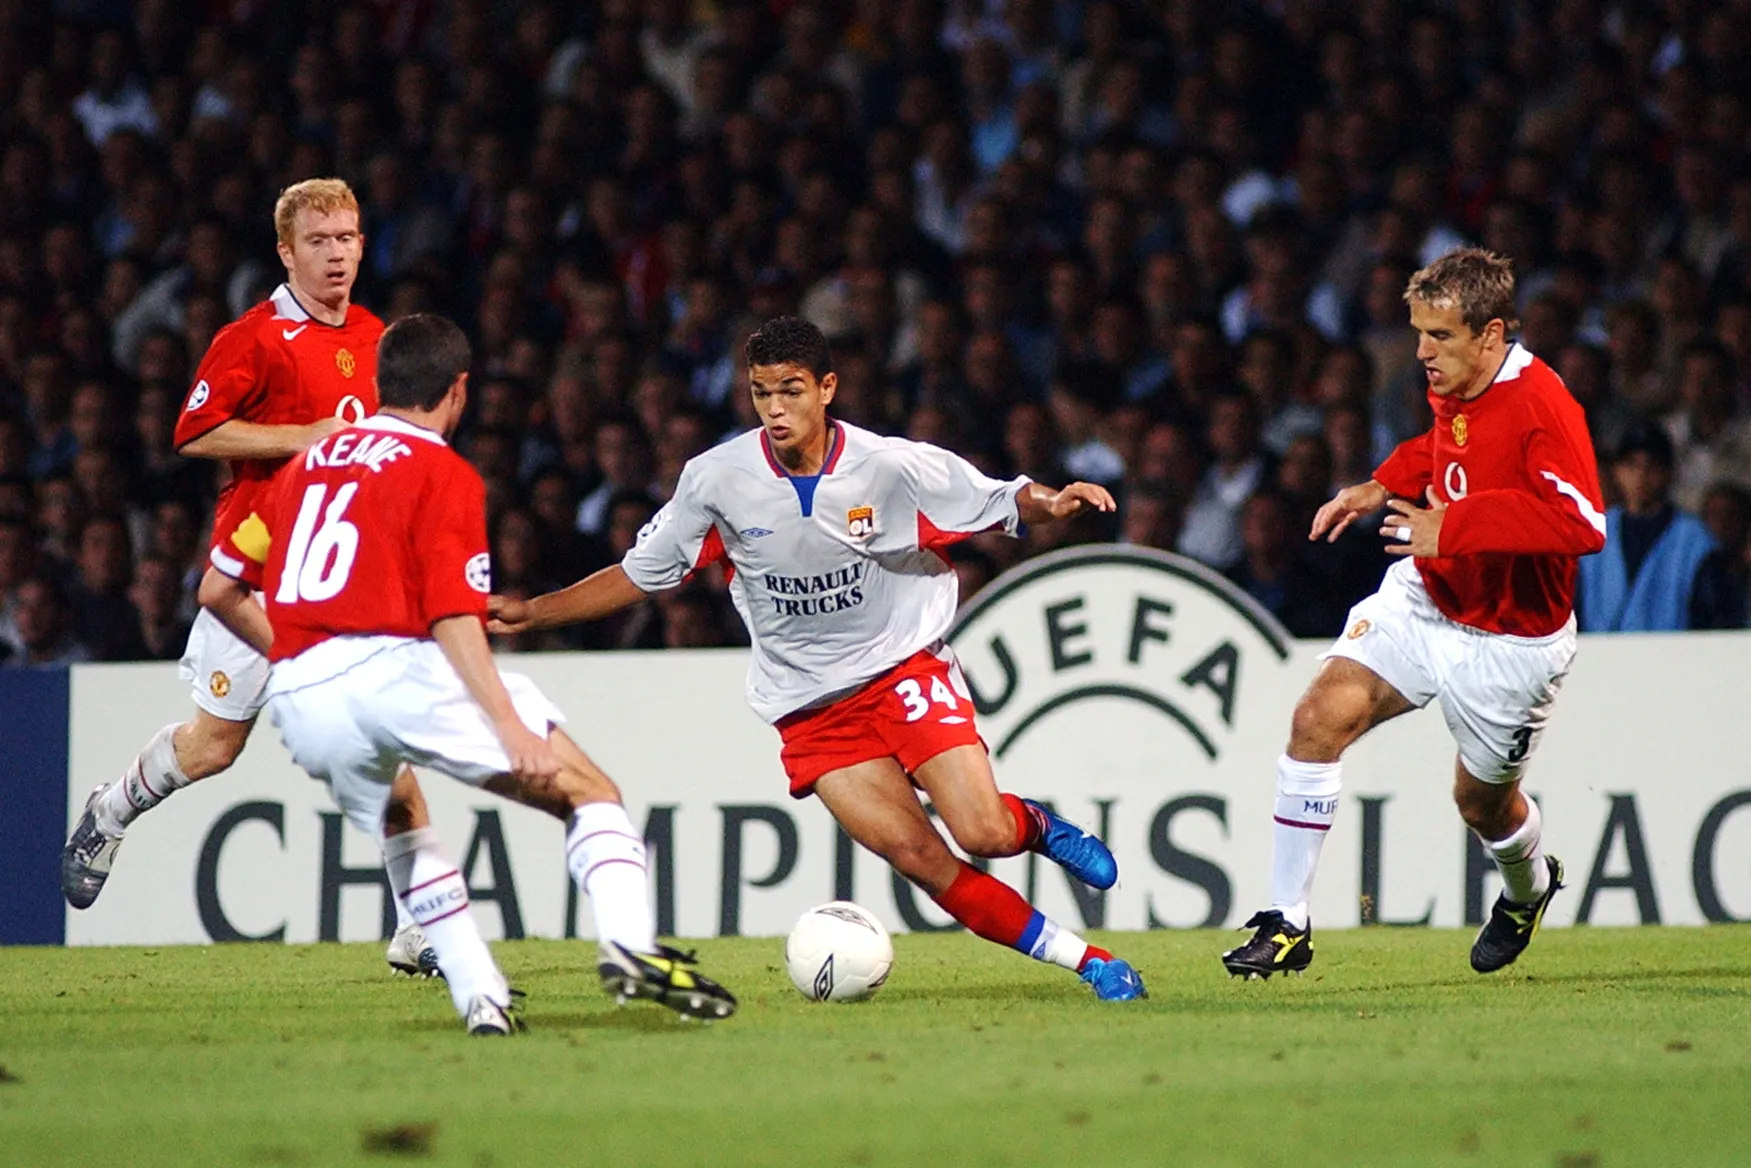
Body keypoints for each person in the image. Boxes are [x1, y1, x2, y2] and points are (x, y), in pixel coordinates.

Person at [491, 317, 1146, 1001]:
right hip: (811, 711)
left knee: (983, 832)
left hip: (902, 669)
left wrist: (1055, 501)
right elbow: (639, 573)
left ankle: (1036, 825)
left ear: (827, 388)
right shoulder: (716, 481)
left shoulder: (890, 467)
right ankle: (1089, 962)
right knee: (920, 858)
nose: (775, 409)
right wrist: (534, 611)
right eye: (760, 393)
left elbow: (998, 499)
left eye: (791, 391)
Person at [196, 314, 735, 1034]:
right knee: (589, 795)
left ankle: (480, 998)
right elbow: (454, 620)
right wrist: (509, 725)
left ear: (381, 384)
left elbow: (219, 590)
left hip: (301, 696)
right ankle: (631, 950)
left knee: (402, 818)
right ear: (458, 390)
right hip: (391, 669)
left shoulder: (300, 469)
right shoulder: (440, 472)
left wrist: (296, 652)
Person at [60, 179, 437, 976]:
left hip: (338, 582)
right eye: (320, 241)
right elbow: (194, 432)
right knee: (212, 748)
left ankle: (419, 927)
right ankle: (112, 808)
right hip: (252, 576)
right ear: (286, 252)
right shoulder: (254, 337)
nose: (337, 254)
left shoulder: (374, 335)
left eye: (348, 238)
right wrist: (307, 434)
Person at [1221, 249, 1606, 980]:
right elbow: (1446, 449)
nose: (1422, 353)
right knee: (1316, 718)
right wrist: (1381, 484)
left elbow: (1583, 522)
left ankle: (1526, 893)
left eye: (1440, 337)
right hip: (1428, 594)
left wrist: (1451, 527)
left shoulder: (1544, 407)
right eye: (1419, 333)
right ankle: (1285, 923)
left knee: (1480, 804)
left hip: (1510, 640)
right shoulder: (1456, 378)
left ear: (1491, 335)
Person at [1576, 425, 1716, 633]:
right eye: (1631, 465)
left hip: (1676, 660)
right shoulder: (1594, 531)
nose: (1641, 475)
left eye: (1652, 466)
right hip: (1601, 660)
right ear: (1617, 471)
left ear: (1669, 473)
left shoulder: (1694, 539)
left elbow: (1713, 618)